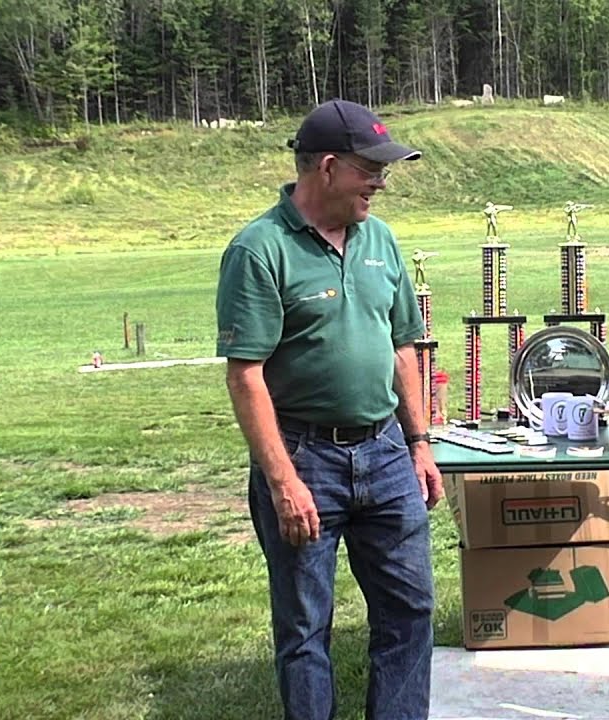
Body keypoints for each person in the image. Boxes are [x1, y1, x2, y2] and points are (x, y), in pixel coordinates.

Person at [215, 99, 444, 720]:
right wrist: (282, 481)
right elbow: (246, 376)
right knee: (305, 628)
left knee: (409, 611)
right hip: (304, 456)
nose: (381, 180)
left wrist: (419, 442)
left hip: (387, 454)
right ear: (327, 167)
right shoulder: (259, 251)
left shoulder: (382, 239)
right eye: (370, 168)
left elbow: (403, 346)